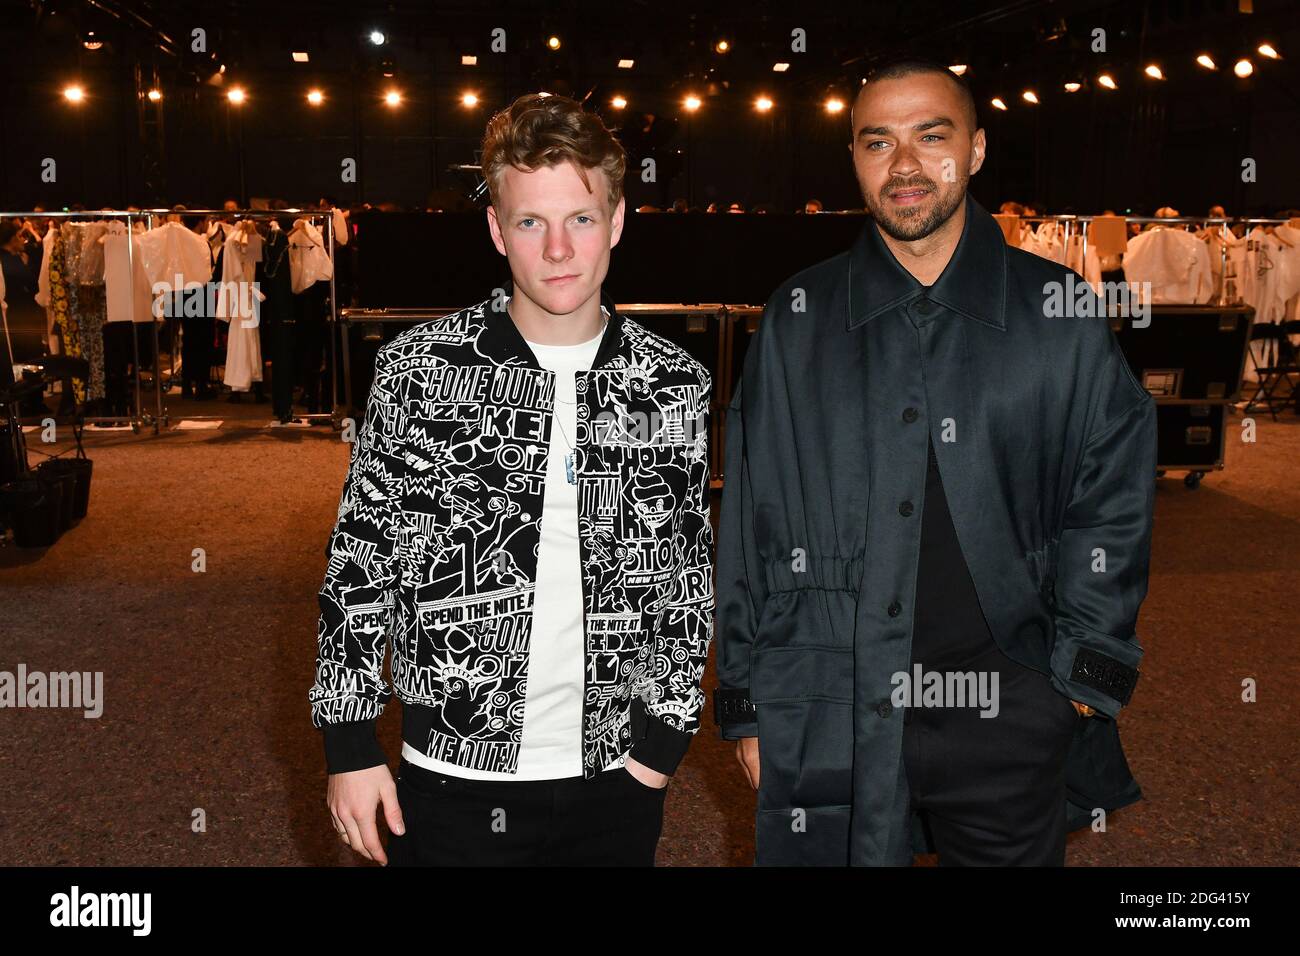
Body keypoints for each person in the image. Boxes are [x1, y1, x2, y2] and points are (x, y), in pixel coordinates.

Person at [714, 57, 1156, 866]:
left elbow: (1114, 502)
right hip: (829, 704)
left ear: (978, 151)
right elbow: (749, 520)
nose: (905, 165)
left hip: (1008, 712)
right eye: (878, 141)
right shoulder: (797, 320)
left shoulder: (1059, 315)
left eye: (932, 136)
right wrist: (748, 705)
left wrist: (1078, 689)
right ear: (853, 157)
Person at [311, 91, 715, 867]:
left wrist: (660, 745)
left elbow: (686, 576)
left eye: (581, 219)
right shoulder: (420, 371)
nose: (558, 248)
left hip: (614, 782)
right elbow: (361, 563)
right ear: (498, 230)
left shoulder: (672, 385)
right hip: (450, 781)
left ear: (618, 221)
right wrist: (350, 744)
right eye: (532, 221)